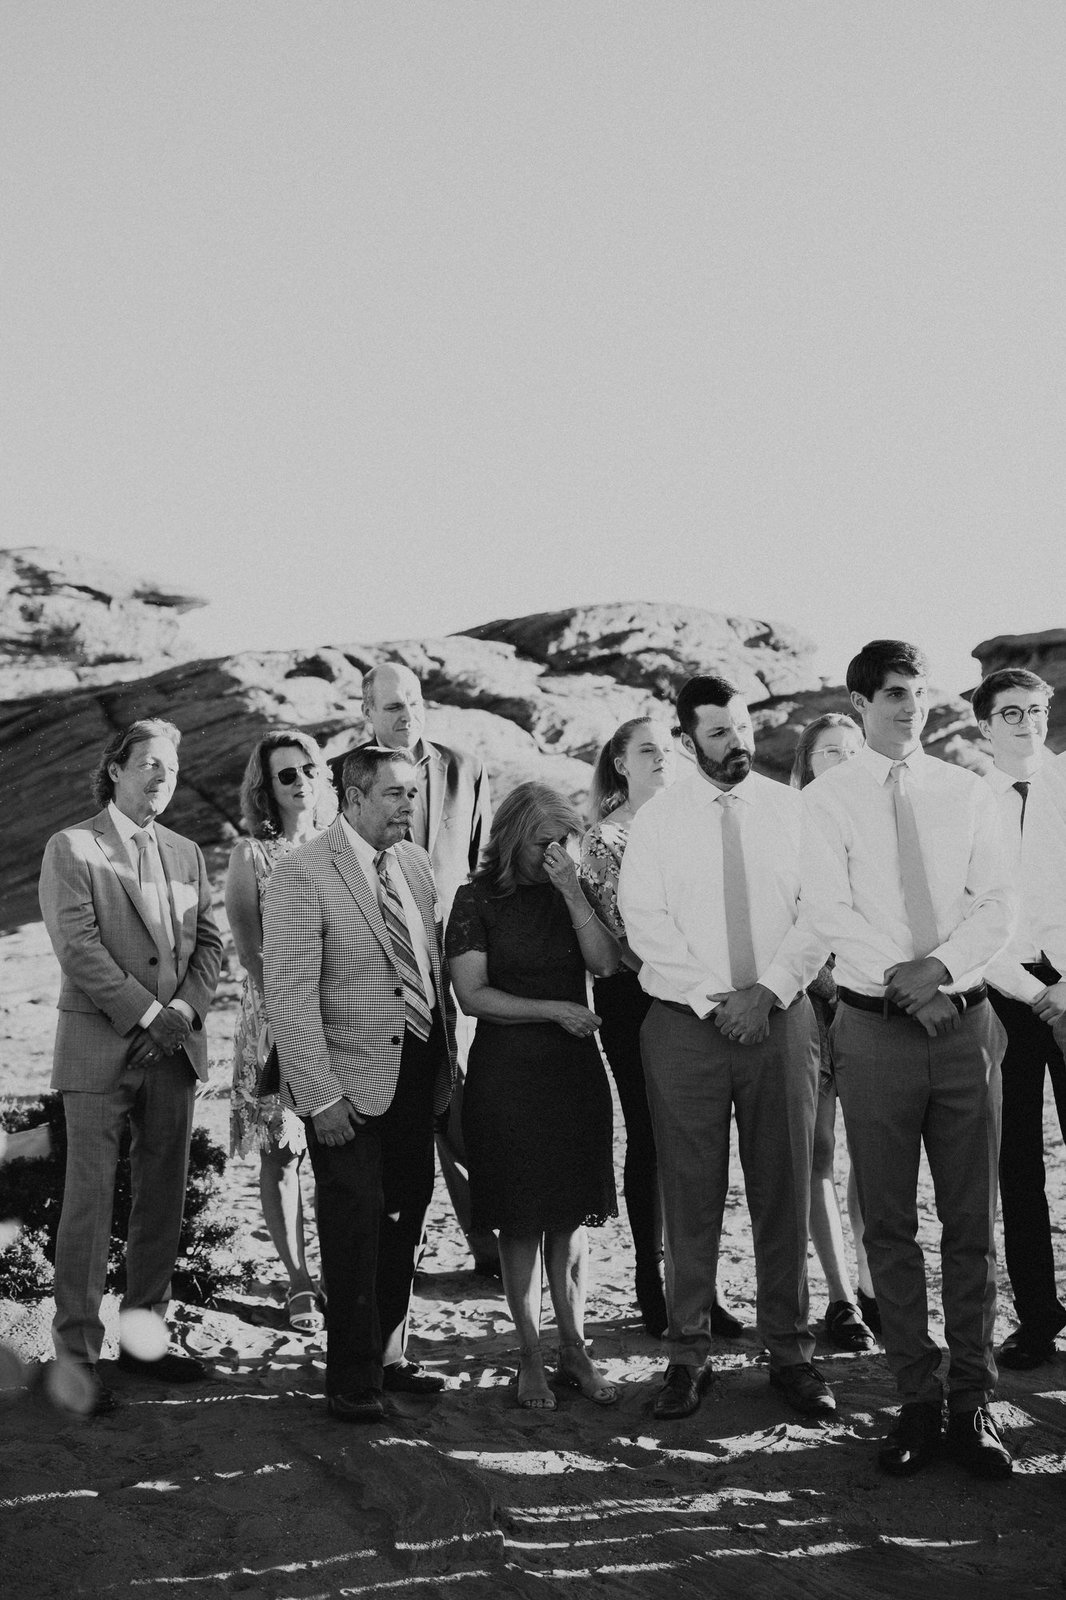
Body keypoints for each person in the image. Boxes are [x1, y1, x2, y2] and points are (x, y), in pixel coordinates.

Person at [800, 639, 1014, 1479]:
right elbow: (826, 907)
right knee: (888, 1223)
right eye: (892, 694)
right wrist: (908, 980)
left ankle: (974, 1402)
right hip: (875, 1031)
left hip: (966, 1026)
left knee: (970, 1223)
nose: (908, 707)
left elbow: (999, 900)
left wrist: (943, 972)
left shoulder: (968, 792)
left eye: (918, 694)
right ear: (860, 702)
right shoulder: (826, 800)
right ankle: (916, 1400)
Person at [618, 676, 832, 1423]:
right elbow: (644, 923)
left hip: (781, 1018)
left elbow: (821, 911)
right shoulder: (657, 822)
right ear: (687, 741)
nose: (736, 742)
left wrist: (766, 993)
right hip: (685, 1027)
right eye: (717, 733)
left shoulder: (790, 809)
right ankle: (687, 1356)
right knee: (690, 1193)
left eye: (742, 727)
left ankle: (791, 1354)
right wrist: (717, 1000)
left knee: (785, 1187)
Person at [263, 745, 457, 1423]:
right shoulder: (300, 873)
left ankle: (386, 1354)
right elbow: (288, 996)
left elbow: (426, 965)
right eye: (396, 794)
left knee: (405, 1213)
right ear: (351, 797)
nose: (410, 805)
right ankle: (350, 1381)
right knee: (353, 1223)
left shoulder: (413, 863)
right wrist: (319, 1098)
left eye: (413, 793)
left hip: (417, 1074)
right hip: (343, 1086)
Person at [38, 718, 223, 1416]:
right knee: (87, 1208)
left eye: (170, 769)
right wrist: (150, 1015)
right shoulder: (72, 847)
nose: (160, 777)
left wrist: (181, 1017)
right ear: (114, 769)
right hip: (99, 1049)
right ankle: (77, 1363)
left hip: (173, 1055)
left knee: (161, 1202)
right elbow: (78, 946)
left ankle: (146, 1341)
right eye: (147, 763)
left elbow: (209, 945)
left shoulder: (187, 853)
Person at [447, 782, 620, 1411]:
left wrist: (573, 890)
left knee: (570, 1218)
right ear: (512, 838)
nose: (553, 852)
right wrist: (553, 1010)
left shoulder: (571, 889)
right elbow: (473, 995)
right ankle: (529, 1354)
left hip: (572, 1073)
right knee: (520, 1223)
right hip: (507, 1074)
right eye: (541, 841)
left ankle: (575, 1347)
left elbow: (603, 963)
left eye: (562, 840)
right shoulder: (476, 900)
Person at [328, 661, 496, 1274]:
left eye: (416, 703)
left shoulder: (466, 767)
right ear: (366, 712)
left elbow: (476, 863)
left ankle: (488, 1246)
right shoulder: (341, 774)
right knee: (397, 1112)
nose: (407, 716)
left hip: (456, 959)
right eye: (393, 707)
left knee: (462, 1105)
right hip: (378, 970)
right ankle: (400, 1250)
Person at [580, 716, 743, 1343]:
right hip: (637, 1001)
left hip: (703, 998)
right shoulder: (604, 842)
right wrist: (688, 976)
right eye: (646, 751)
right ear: (620, 763)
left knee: (700, 1142)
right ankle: (655, 1288)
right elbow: (623, 938)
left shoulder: (695, 822)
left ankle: (700, 1286)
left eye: (667, 750)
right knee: (650, 1137)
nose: (662, 760)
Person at [971, 668, 1066, 1369]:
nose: (1027, 722)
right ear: (985, 726)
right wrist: (1028, 990)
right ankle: (1038, 1317)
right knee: (1018, 1164)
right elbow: (970, 909)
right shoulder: (970, 803)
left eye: (1036, 710)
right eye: (1011, 713)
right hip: (1006, 997)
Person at [226, 729, 336, 1334]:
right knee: (283, 1154)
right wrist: (296, 1020)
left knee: (340, 1150)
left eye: (308, 769)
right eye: (284, 775)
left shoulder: (341, 848)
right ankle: (299, 1282)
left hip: (342, 1019)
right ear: (265, 788)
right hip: (274, 1021)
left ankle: (342, 1273)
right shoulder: (252, 856)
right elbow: (250, 952)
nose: (300, 782)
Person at [790, 714, 877, 1351]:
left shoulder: (886, 827)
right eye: (829, 751)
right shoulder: (791, 829)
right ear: (808, 763)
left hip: (877, 1012)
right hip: (817, 1014)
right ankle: (841, 1300)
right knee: (819, 1159)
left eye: (853, 750)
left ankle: (874, 1290)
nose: (843, 760)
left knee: (874, 1163)